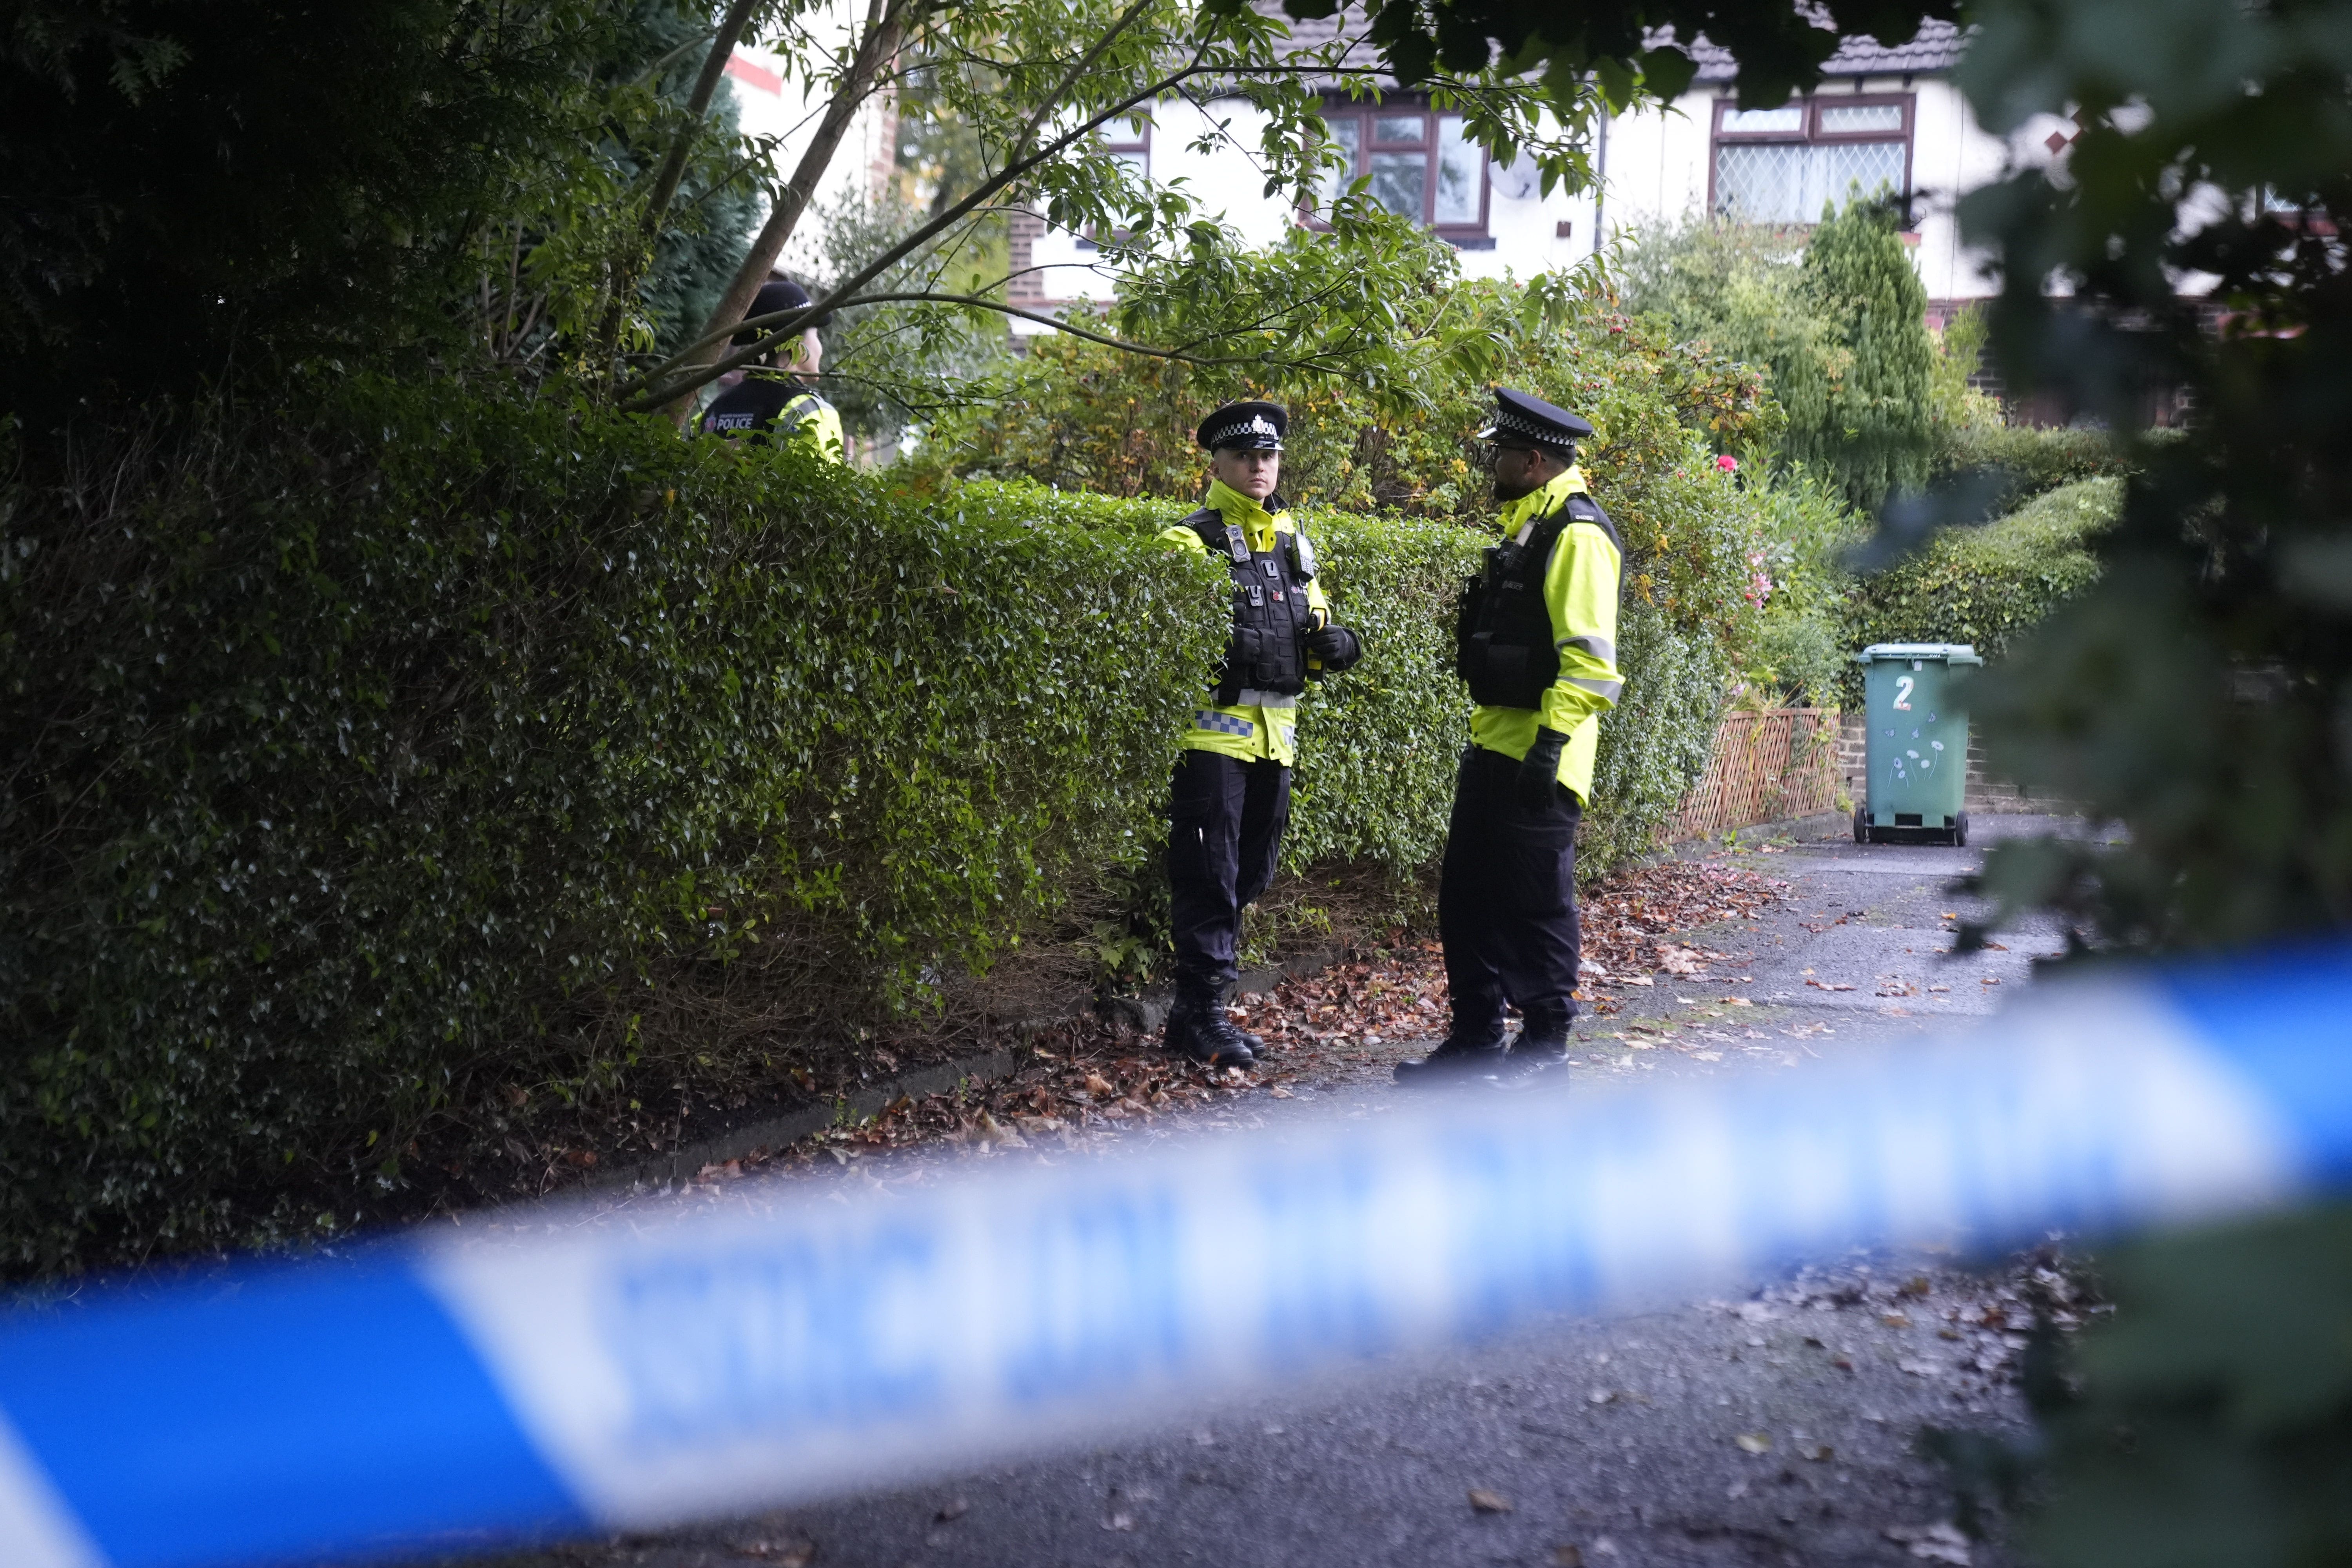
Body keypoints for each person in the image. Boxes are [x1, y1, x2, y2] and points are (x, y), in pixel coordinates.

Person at [1396, 387, 1624, 1085]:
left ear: (1533, 461)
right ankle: (1476, 1040)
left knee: (1535, 904)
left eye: (1501, 454)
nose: (1492, 463)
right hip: (1496, 744)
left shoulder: (1577, 535)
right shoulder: (1533, 522)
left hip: (1540, 757)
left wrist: (1550, 746)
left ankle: (1544, 1049)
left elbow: (1591, 664)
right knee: (1467, 898)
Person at [1157, 401, 1364, 1069]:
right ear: (1216, 464)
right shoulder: (1188, 543)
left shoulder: (1291, 541)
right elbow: (1174, 647)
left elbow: (1317, 618)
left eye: (1268, 455)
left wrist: (1339, 643)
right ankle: (1204, 1014)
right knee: (1210, 877)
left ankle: (1196, 1012)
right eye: (1245, 456)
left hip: (1277, 737)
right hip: (1214, 742)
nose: (1259, 466)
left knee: (1248, 874)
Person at [698, 276, 846, 462]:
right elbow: (824, 489)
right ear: (796, 343)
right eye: (816, 336)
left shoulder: (714, 410)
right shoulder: (812, 414)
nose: (820, 348)